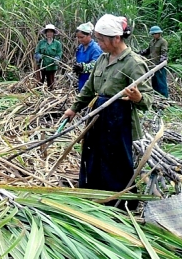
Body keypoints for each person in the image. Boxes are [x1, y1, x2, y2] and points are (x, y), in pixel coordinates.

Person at [64, 14, 153, 209]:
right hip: (97, 116)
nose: (100, 43)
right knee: (92, 155)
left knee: (116, 161)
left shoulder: (134, 63)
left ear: (116, 38)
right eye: (98, 38)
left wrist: (138, 97)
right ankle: (93, 194)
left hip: (118, 120)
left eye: (102, 39)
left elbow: (148, 101)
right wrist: (74, 108)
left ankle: (120, 203)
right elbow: (89, 87)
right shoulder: (102, 59)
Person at [139, 26, 169, 98]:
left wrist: (161, 63)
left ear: (159, 33)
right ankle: (156, 96)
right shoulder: (152, 42)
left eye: (155, 34)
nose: (154, 35)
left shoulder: (163, 42)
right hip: (152, 66)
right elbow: (148, 51)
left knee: (161, 82)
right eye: (153, 34)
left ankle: (164, 97)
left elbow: (164, 53)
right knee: (154, 82)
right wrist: (139, 53)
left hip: (159, 66)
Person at [72, 22, 103, 91]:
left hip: (92, 80)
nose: (80, 40)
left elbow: (97, 65)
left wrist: (83, 67)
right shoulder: (80, 48)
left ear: (89, 35)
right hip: (82, 78)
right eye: (78, 37)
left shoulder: (95, 48)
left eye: (82, 37)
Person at [34, 24, 63, 89]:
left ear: (53, 33)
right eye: (48, 32)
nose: (49, 33)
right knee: (39, 82)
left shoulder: (57, 43)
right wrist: (39, 56)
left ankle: (50, 95)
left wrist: (57, 59)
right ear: (46, 33)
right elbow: (36, 53)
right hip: (41, 66)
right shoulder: (41, 42)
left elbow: (59, 53)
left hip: (52, 66)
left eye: (51, 32)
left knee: (51, 83)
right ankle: (38, 95)